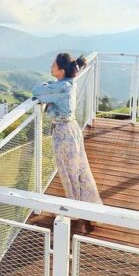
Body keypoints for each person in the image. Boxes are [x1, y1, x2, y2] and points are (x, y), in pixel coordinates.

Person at [31, 53, 102, 233]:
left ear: (61, 71)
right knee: (79, 170)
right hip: (72, 129)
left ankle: (74, 210)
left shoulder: (62, 87)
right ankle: (90, 206)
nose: (50, 69)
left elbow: (36, 91)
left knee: (69, 173)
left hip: (64, 134)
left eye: (53, 66)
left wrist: (48, 85)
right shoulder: (68, 82)